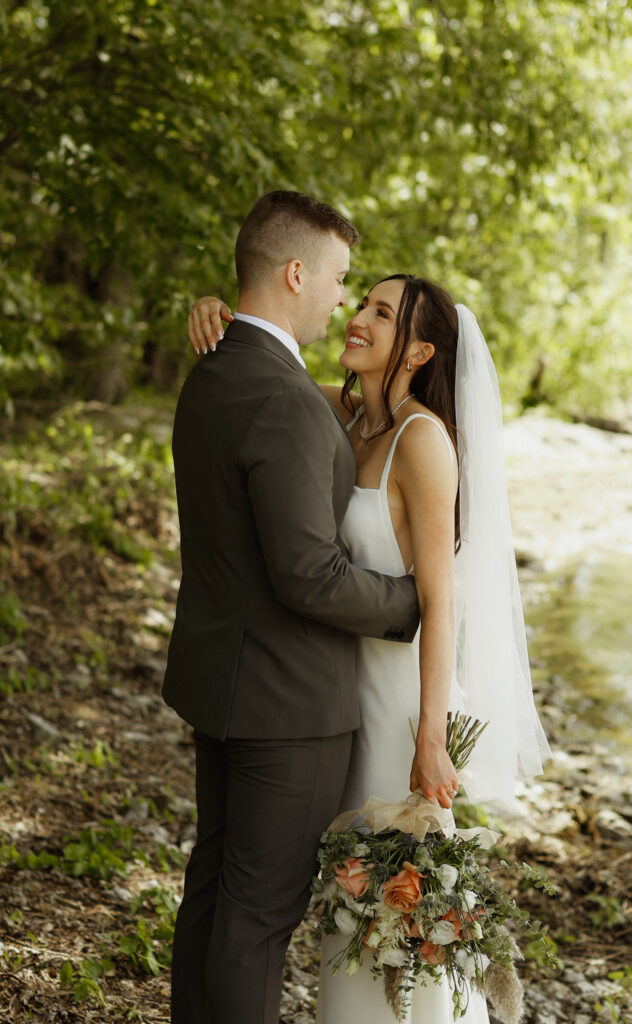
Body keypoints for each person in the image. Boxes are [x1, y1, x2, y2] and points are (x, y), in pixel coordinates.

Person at [188, 273, 550, 1022]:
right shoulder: (342, 417)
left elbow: (439, 598)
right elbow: (268, 373)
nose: (357, 319)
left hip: (396, 706)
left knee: (393, 910)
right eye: (360, 303)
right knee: (342, 907)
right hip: (332, 697)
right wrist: (221, 317)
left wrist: (428, 734)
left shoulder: (422, 441)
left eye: (380, 314)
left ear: (418, 350)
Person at [164, 191, 436, 1024]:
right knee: (256, 918)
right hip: (285, 707)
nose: (342, 302)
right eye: (339, 280)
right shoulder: (284, 397)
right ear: (293, 273)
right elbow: (306, 574)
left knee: (214, 896)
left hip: (225, 684)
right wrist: (408, 606)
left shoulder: (215, 371)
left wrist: (213, 311)